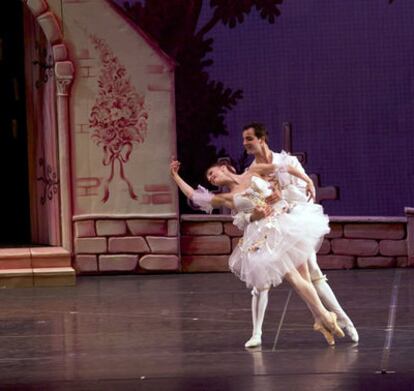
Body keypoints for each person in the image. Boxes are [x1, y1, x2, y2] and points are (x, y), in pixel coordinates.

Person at [170, 158, 344, 348]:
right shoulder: (227, 198)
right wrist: (175, 176)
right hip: (263, 235)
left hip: (284, 222)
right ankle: (325, 316)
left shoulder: (253, 171)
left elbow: (284, 167)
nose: (211, 179)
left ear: (223, 167)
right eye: (209, 178)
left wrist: (307, 181)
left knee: (303, 277)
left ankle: (322, 318)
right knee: (293, 277)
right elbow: (194, 196)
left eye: (212, 173)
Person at [236, 122, 358, 343]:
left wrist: (282, 192)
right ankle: (257, 333)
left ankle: (343, 320)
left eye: (249, 138)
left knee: (313, 273)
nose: (245, 143)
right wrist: (260, 207)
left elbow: (305, 192)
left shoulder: (287, 161)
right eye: (244, 139)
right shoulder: (251, 173)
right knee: (261, 280)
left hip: (294, 222)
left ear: (262, 139)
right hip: (271, 228)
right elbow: (248, 206)